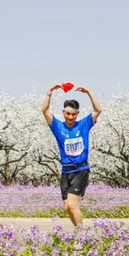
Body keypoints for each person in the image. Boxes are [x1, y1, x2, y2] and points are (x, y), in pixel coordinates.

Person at [42, 83, 102, 227]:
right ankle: (79, 231)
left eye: (73, 114)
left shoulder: (84, 124)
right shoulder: (58, 127)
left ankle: (82, 235)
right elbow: (45, 110)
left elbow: (98, 110)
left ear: (77, 114)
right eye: (68, 113)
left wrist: (89, 92)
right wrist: (49, 92)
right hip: (65, 171)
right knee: (67, 207)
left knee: (72, 204)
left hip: (80, 170)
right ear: (64, 112)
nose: (70, 116)